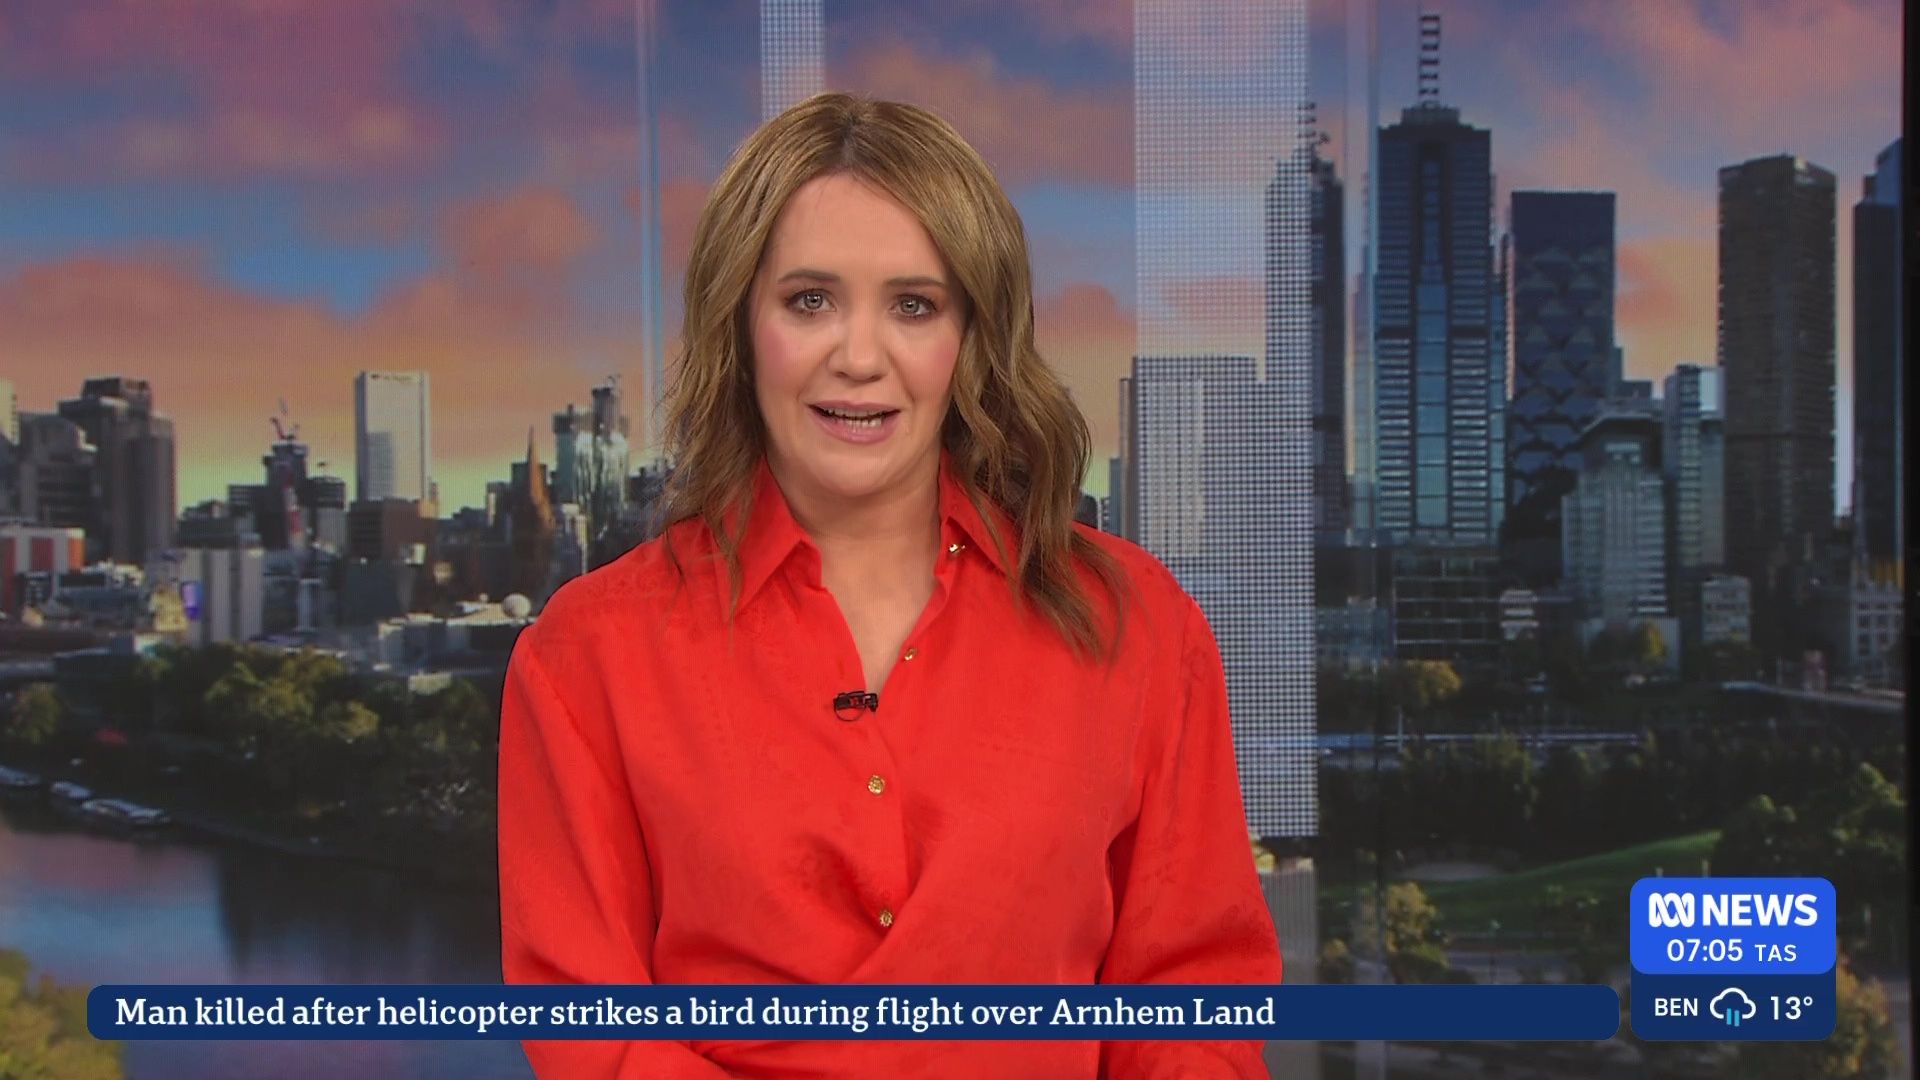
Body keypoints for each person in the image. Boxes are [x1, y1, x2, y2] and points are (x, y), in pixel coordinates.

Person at [498, 91, 1282, 1078]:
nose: (860, 358)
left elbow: (1192, 1005)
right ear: (740, 325)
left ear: (972, 337)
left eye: (914, 305)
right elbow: (593, 1028)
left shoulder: (1136, 625)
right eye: (809, 301)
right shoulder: (588, 654)